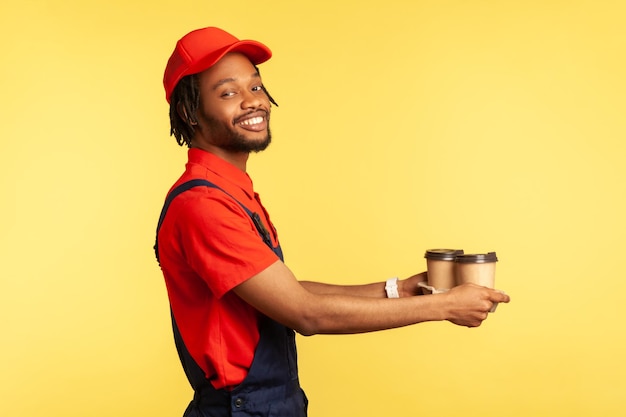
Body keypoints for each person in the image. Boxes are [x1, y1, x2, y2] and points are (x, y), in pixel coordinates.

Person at [155, 26, 510, 417]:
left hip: (270, 405)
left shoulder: (230, 191)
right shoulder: (203, 205)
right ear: (189, 112)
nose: (252, 102)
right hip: (242, 409)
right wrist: (444, 308)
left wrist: (398, 290)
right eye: (228, 92)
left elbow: (285, 292)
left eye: (255, 87)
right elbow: (305, 313)